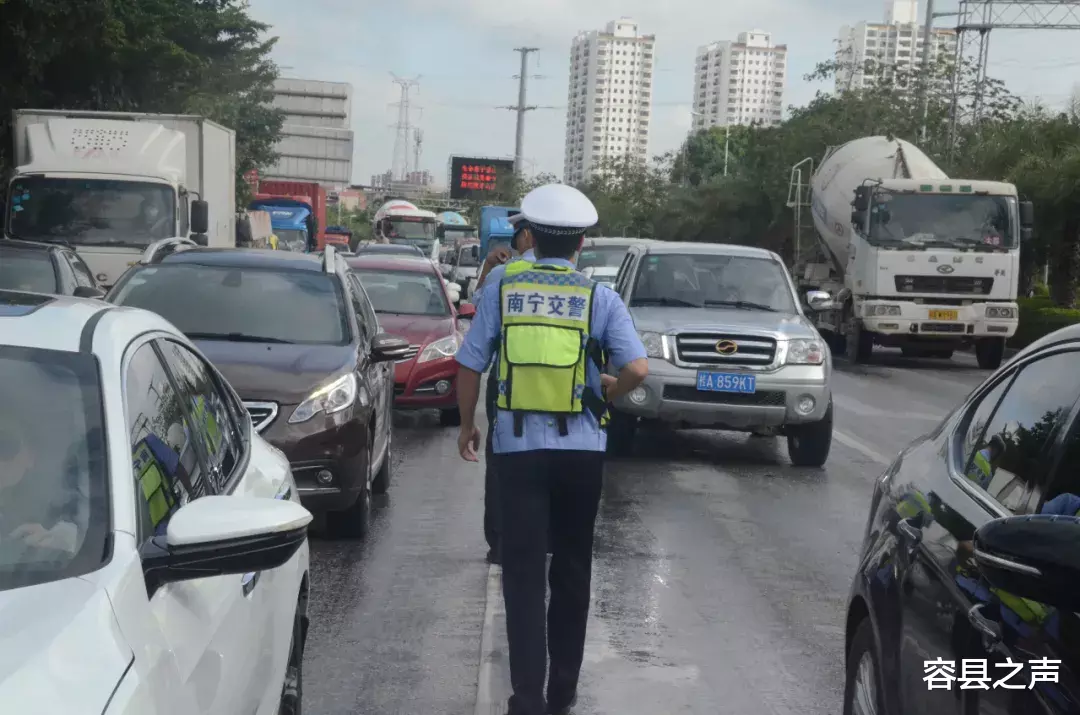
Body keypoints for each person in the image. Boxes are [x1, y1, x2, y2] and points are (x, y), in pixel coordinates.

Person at [455, 183, 649, 715]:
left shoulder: (500, 291)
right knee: (571, 571)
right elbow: (636, 368)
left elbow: (470, 363)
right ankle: (563, 692)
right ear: (582, 243)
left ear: (530, 239)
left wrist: (466, 425)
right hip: (581, 454)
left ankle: (526, 699)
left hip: (516, 453)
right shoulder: (599, 298)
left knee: (522, 576)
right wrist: (610, 388)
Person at [473, 216, 536, 565]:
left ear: (527, 235)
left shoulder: (503, 275)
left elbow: (480, 329)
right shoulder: (580, 285)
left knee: (501, 463)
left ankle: (500, 543)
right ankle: (542, 538)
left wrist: (467, 422)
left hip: (507, 382)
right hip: (560, 387)